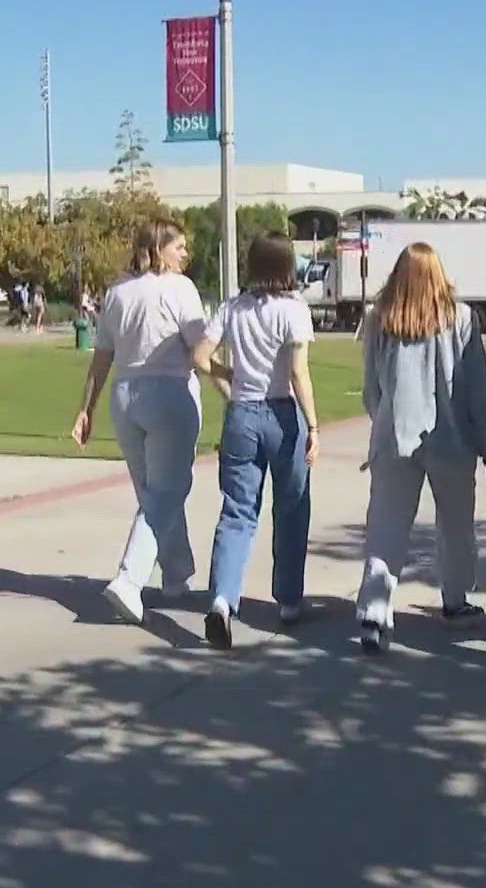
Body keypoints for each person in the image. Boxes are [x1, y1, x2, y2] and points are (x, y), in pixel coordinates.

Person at [355, 243, 486, 654]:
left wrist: (385, 418)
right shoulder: (461, 319)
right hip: (451, 438)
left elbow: (371, 390)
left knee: (386, 527)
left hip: (394, 437)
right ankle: (455, 601)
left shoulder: (379, 319)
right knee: (456, 527)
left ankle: (374, 610)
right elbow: (477, 391)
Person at [71, 220, 211, 622]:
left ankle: (176, 573)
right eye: (179, 247)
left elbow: (102, 356)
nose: (185, 255)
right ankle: (130, 579)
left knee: (155, 493)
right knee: (166, 492)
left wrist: (87, 407)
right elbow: (200, 345)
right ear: (158, 248)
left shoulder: (116, 292)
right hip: (168, 393)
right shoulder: (179, 289)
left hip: (124, 396)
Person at [188, 232, 320, 649]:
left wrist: (229, 376)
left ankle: (223, 599)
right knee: (292, 506)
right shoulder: (293, 310)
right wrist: (314, 425)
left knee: (238, 512)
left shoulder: (233, 307)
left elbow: (199, 356)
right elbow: (298, 371)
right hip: (282, 412)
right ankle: (289, 598)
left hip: (242, 414)